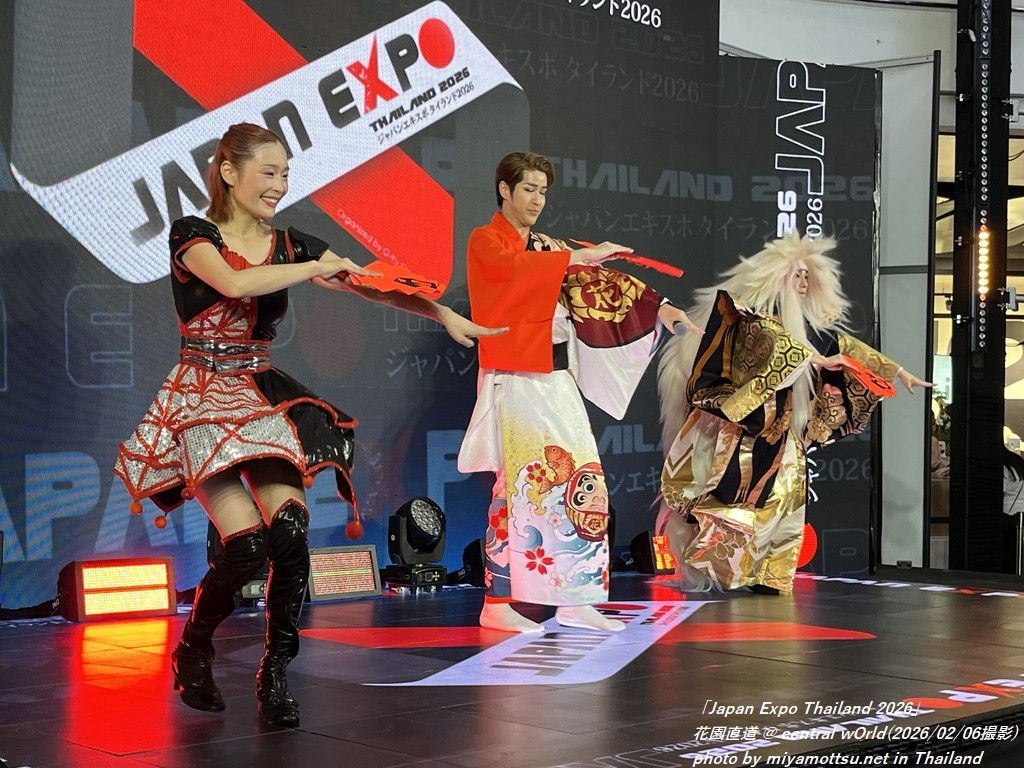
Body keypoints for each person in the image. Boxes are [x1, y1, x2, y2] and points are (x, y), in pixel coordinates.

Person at [113, 123, 502, 727]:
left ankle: (275, 671)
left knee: (292, 533)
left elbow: (371, 287)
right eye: (268, 173)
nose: (279, 185)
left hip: (260, 396)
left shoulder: (291, 243)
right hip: (200, 399)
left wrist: (441, 312)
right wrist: (314, 266)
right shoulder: (193, 234)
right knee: (245, 546)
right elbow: (235, 282)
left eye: (285, 175)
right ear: (229, 172)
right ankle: (193, 648)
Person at [457, 151, 699, 633]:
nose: (537, 200)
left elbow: (601, 283)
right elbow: (513, 272)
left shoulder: (548, 248)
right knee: (519, 488)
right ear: (504, 189)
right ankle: (497, 601)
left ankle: (575, 597)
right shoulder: (486, 240)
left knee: (581, 484)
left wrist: (663, 309)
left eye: (543, 192)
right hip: (516, 377)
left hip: (554, 379)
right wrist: (575, 256)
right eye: (529, 189)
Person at [656, 232, 931, 595]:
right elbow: (778, 350)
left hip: (783, 432)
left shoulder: (804, 329)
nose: (803, 282)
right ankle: (725, 567)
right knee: (738, 499)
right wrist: (816, 358)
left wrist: (896, 371)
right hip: (746, 431)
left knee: (786, 498)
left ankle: (769, 574)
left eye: (806, 275)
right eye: (796, 275)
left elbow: (847, 348)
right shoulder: (753, 321)